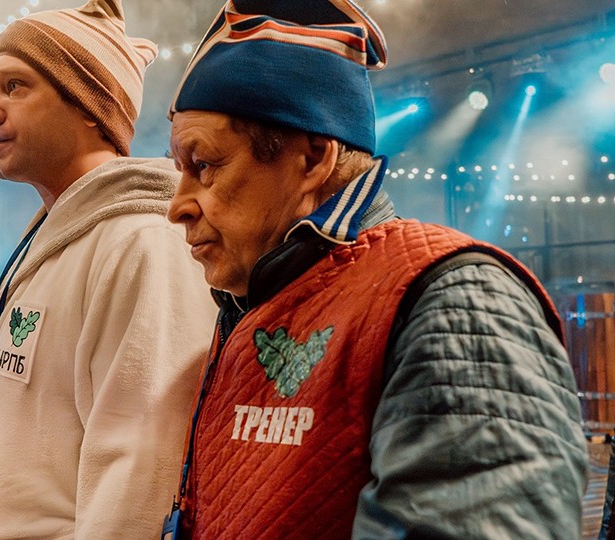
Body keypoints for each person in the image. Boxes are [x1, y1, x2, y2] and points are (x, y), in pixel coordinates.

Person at [161, 1, 588, 538]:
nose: (177, 206)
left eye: (203, 165)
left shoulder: (456, 300)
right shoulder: (251, 304)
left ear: (312, 158)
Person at [0, 1, 216, 538]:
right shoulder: (45, 244)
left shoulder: (143, 246)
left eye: (15, 87)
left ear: (90, 105)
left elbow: (138, 482)